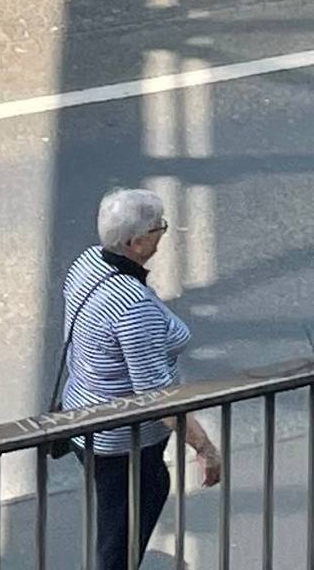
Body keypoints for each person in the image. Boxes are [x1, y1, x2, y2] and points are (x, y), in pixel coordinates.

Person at [56, 188, 223, 570]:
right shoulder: (132, 307)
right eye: (158, 227)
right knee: (122, 527)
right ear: (136, 243)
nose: (164, 232)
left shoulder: (87, 263)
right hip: (121, 439)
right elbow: (156, 395)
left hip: (83, 416)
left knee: (134, 500)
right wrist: (205, 448)